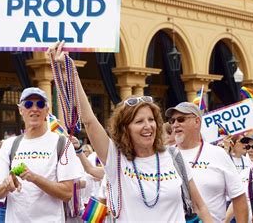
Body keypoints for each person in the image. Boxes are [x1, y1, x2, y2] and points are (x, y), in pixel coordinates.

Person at [49, 42, 212, 222]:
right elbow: (89, 120)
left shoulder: (174, 157)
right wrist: (71, 72)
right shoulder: (116, 160)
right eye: (139, 121)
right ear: (125, 128)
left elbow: (199, 205)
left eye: (151, 120)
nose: (148, 126)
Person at [0, 87, 83, 222]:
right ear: (21, 110)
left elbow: (67, 193)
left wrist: (34, 178)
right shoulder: (10, 145)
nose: (34, 109)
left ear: (47, 111)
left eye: (40, 104)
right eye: (28, 104)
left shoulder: (61, 143)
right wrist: (6, 185)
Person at [166, 102, 248, 223]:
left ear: (197, 122)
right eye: (172, 121)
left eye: (181, 119)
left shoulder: (218, 154)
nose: (175, 125)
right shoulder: (165, 156)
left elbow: (239, 198)